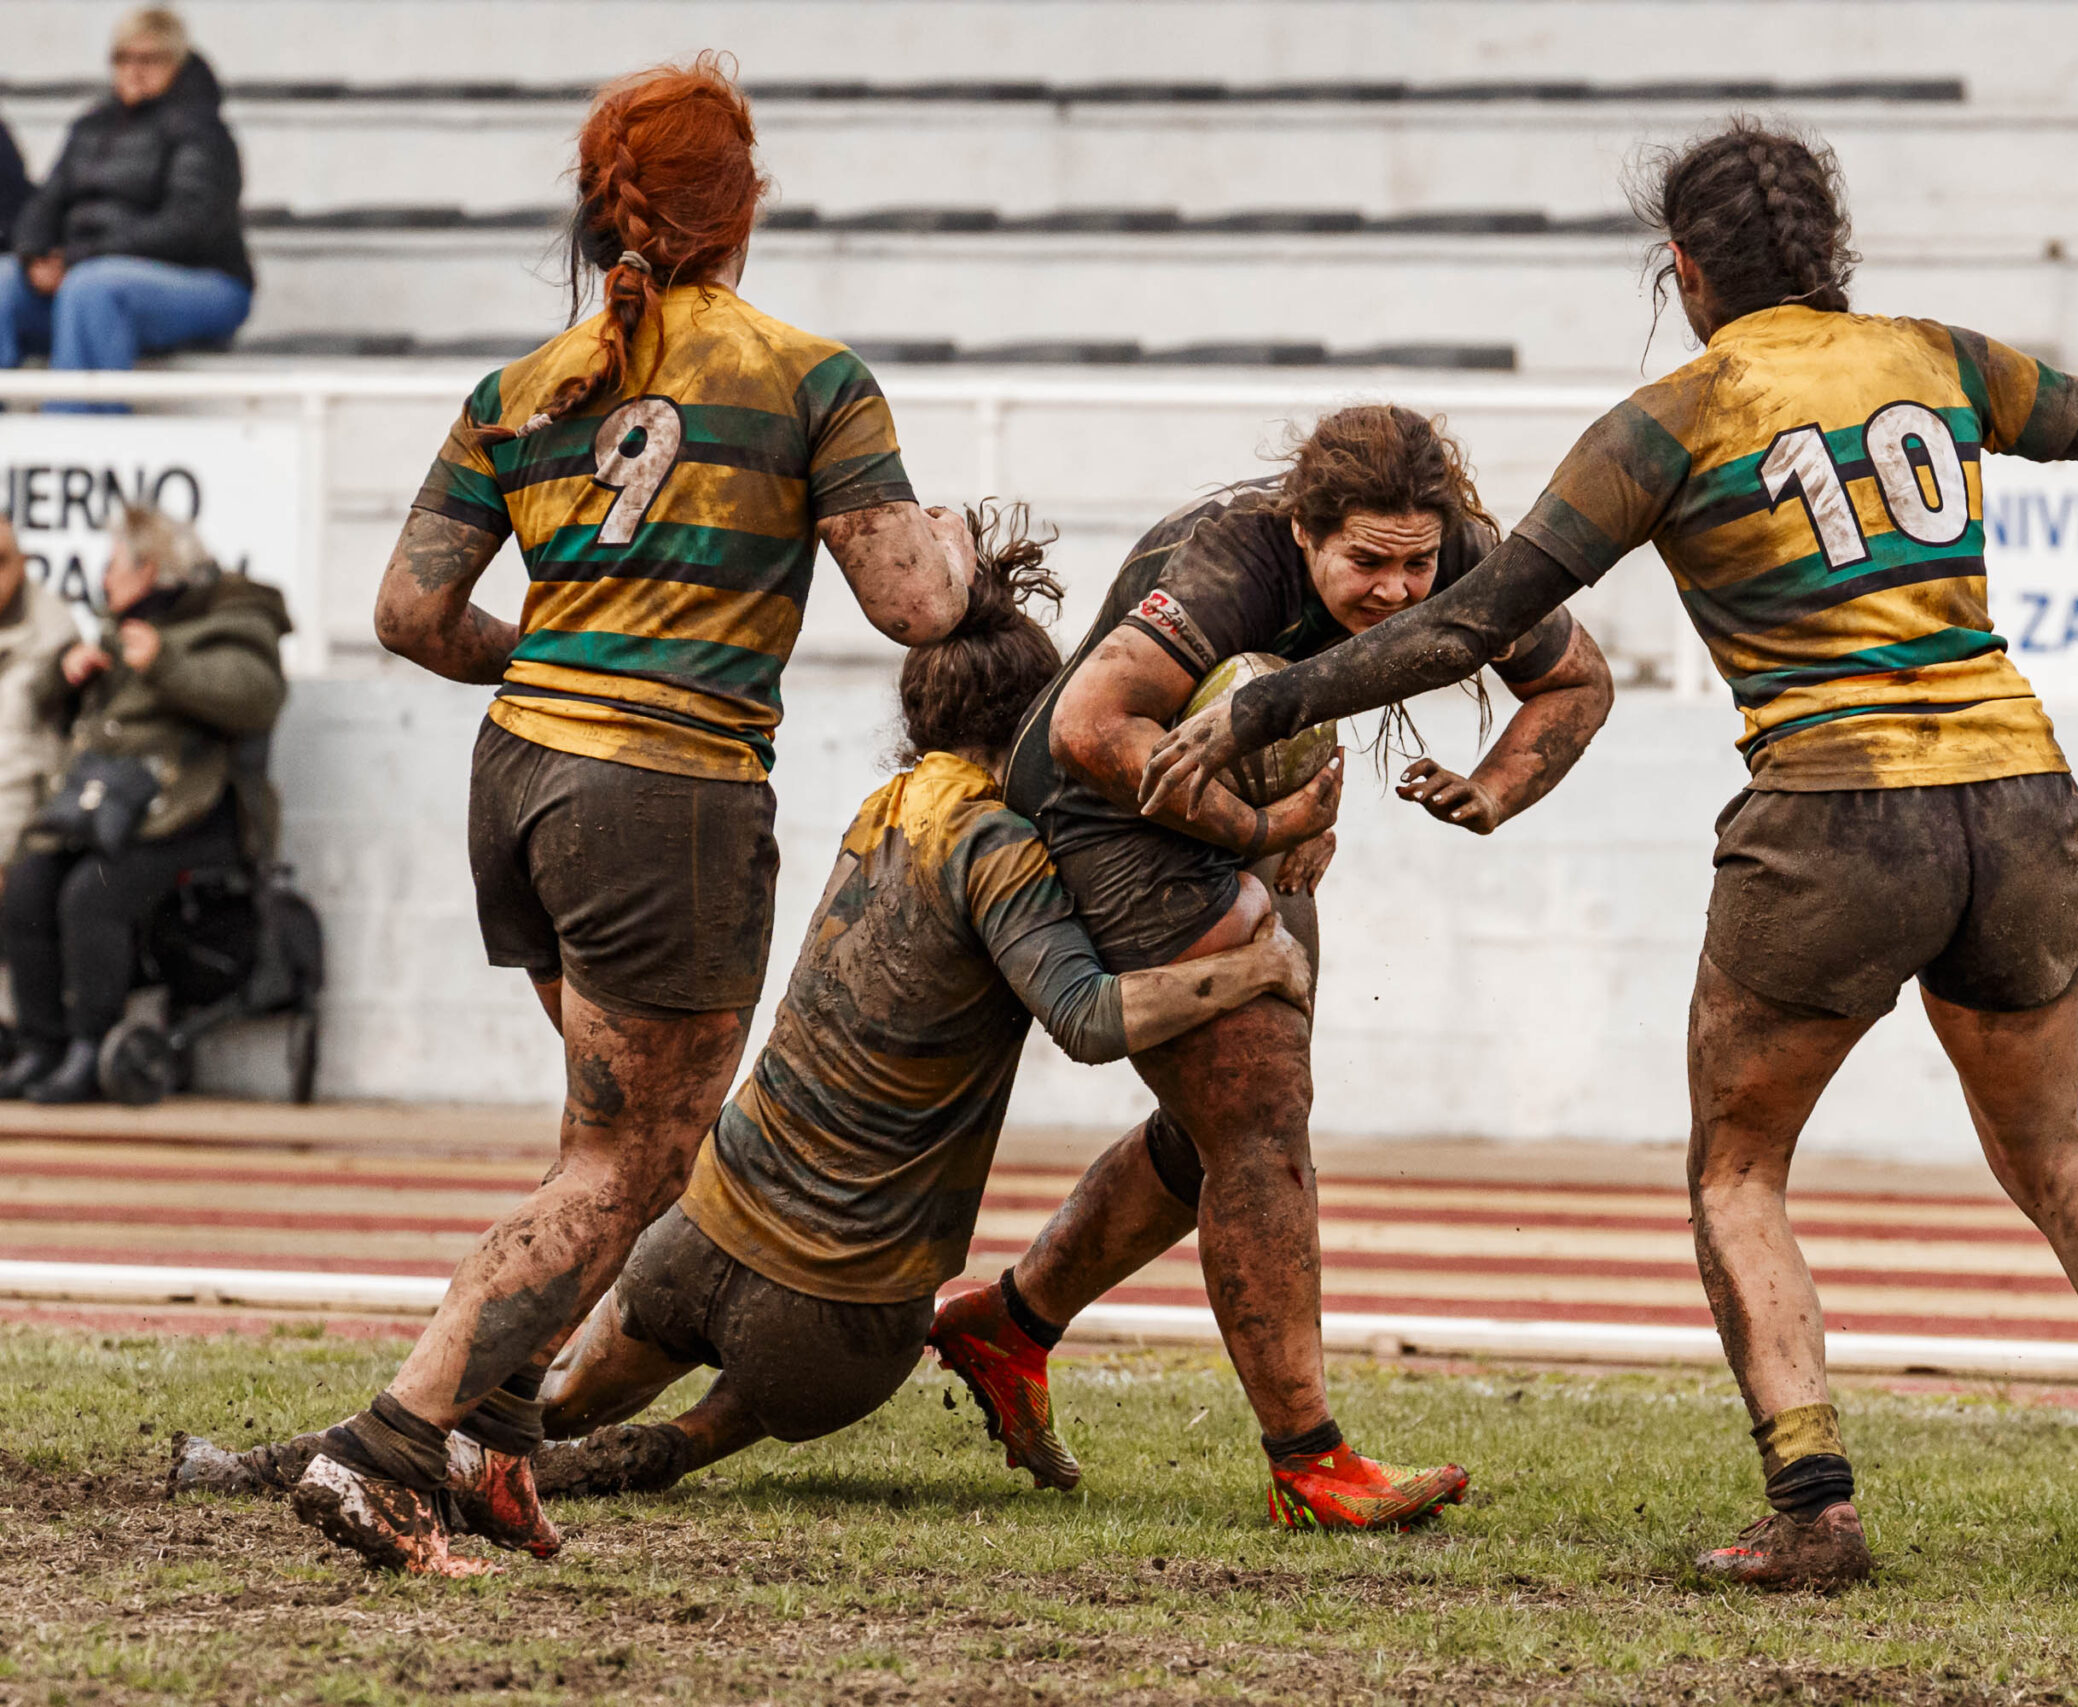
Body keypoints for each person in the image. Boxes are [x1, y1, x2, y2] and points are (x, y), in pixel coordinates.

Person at [1140, 119, 2078, 1589]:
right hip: (2017, 794)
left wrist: (1269, 701)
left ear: (1684, 265)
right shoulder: (1938, 358)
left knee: (1738, 1162)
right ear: (1829, 252)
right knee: (2051, 1147)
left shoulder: (1668, 422)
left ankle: (1815, 1501)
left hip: (1834, 814)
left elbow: (1471, 622)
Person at [169, 510, 1316, 1518]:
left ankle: (292, 1462)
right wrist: (1250, 962)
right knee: (650, 1451)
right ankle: (592, 1463)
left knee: (536, 1407)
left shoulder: (890, 803)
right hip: (837, 1309)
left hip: (700, 1231)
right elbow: (1087, 1015)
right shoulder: (1007, 847)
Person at [292, 56, 976, 1578]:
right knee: (627, 1162)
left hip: (521, 779)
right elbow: (920, 605)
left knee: (606, 1144)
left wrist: (541, 656)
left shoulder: (519, 388)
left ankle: (492, 1436)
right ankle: (388, 1446)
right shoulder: (809, 376)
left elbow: (410, 611)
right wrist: (962, 539)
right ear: (742, 213)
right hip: (664, 796)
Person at [923, 403, 1615, 1531]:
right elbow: (1092, 729)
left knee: (1227, 1128)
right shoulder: (1229, 564)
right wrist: (1262, 829)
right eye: (1366, 564)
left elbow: (1577, 681)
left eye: (1416, 566)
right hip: (1108, 810)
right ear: (1304, 530)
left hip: (1250, 810)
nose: (1396, 592)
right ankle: (1308, 1459)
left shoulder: (1464, 557)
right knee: (1258, 1115)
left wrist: (1493, 790)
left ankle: (1010, 1323)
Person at [0, 503, 286, 1104]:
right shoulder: (116, 628)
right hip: (115, 809)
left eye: (113, 566)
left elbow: (255, 698)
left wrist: (164, 662)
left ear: (148, 568)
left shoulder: (233, 617)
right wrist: (67, 674)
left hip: (197, 813)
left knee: (89, 895)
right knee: (28, 885)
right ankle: (41, 1046)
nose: (103, 580)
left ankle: (90, 1048)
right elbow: (58, 710)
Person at [1, 9, 254, 392]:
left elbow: (189, 226)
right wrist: (35, 255)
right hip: (85, 270)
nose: (134, 70)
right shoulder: (91, 126)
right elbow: (45, 203)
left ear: (176, 62)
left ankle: (82, 433)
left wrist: (79, 258)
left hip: (204, 282)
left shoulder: (204, 133)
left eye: (149, 59)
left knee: (94, 289)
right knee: (6, 282)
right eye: (123, 58)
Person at [0, 520, 83, 867]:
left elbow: (19, 765)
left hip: (18, 830)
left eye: (1, 560)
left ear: (23, 561)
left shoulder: (54, 634)